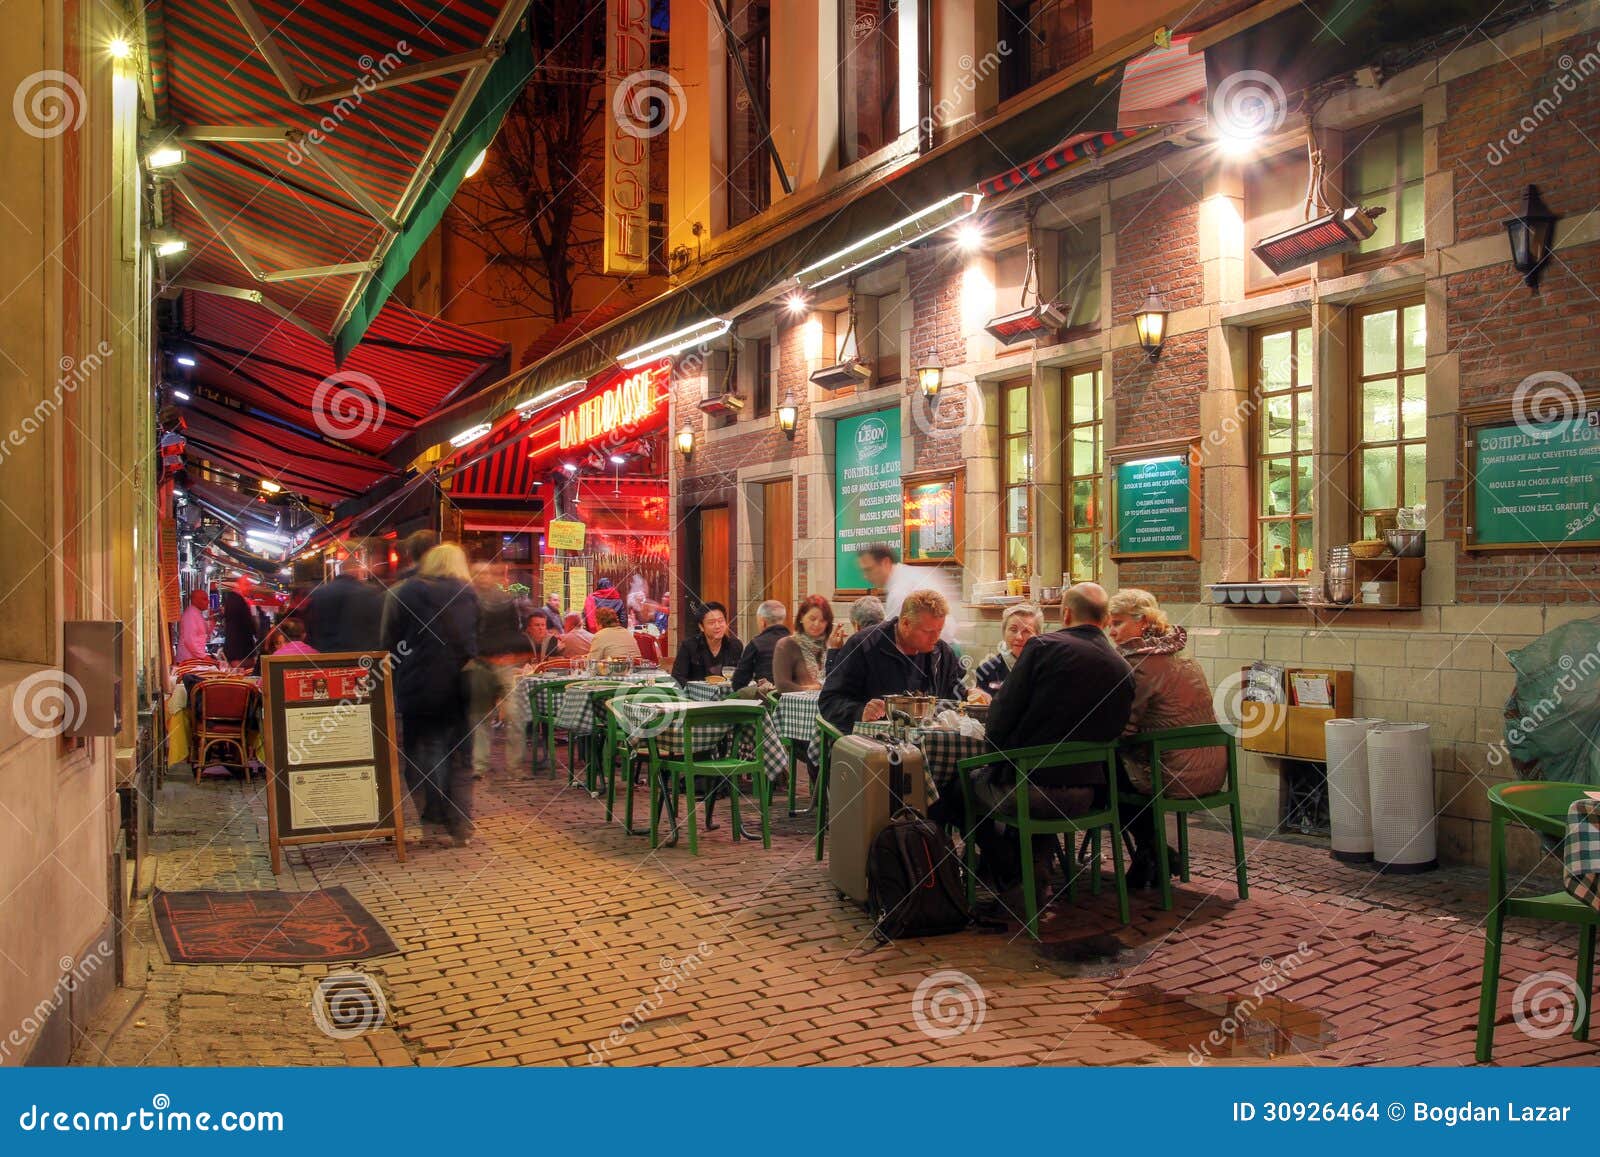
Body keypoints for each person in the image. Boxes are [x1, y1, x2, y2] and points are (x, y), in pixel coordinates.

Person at [972, 583, 1135, 903]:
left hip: (1030, 791)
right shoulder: (1124, 668)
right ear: (1104, 620)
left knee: (961, 785)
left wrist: (996, 761)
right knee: (1039, 775)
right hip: (1088, 795)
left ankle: (1006, 872)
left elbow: (1001, 715)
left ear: (1065, 613)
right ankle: (1034, 869)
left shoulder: (1044, 647)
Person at [1107, 588, 1227, 888]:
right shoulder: (1181, 653)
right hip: (1212, 767)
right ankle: (1153, 855)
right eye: (1109, 623)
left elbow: (1124, 728)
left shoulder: (1140, 664)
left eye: (1118, 622)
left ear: (1143, 621)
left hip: (1174, 772)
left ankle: (1156, 852)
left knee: (1104, 774)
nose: (1111, 631)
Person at [382, 543, 479, 846]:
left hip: (417, 683)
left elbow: (391, 640)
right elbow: (473, 643)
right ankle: (453, 816)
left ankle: (433, 811)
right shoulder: (468, 593)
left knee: (418, 750)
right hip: (456, 684)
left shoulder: (409, 591)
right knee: (454, 752)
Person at [819, 589, 964, 731]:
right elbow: (829, 700)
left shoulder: (942, 653)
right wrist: (859, 711)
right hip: (873, 744)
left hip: (930, 744)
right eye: (928, 631)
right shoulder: (864, 645)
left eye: (939, 630)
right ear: (906, 623)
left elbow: (953, 695)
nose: (935, 638)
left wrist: (970, 696)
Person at [468, 561, 534, 780]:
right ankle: (479, 767)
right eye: (478, 574)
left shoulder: (503, 600)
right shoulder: (465, 601)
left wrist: (512, 652)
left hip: (503, 663)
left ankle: (514, 767)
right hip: (480, 663)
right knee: (480, 717)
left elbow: (514, 629)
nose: (482, 577)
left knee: (516, 714)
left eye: (485, 573)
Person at [856, 543, 957, 643]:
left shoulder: (899, 591)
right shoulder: (911, 574)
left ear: (885, 563)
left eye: (869, 569)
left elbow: (897, 639)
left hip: (934, 650)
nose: (866, 576)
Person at [967, 604, 1044, 702]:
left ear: (1038, 636)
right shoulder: (986, 671)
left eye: (1026, 631)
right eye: (1013, 630)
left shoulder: (1047, 667)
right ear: (1004, 633)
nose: (1019, 637)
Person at [305, 561, 384, 653]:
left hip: (326, 653)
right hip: (361, 654)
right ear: (357, 572)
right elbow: (376, 625)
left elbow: (310, 626)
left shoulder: (319, 593)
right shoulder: (369, 593)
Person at [671, 601, 742, 684]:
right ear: (701, 627)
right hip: (696, 694)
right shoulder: (689, 646)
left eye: (721, 621)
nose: (717, 626)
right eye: (712, 623)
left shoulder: (735, 646)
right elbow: (677, 677)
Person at [773, 594, 833, 692]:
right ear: (801, 617)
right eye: (812, 619)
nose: (816, 624)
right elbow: (782, 685)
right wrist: (813, 691)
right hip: (796, 704)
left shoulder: (829, 645)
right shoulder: (786, 645)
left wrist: (836, 649)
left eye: (822, 620)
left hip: (827, 703)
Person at [733, 599, 790, 691]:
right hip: (794, 699)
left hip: (767, 700)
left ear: (762, 621)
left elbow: (738, 682)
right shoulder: (796, 643)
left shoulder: (756, 644)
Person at [220, 577, 258, 668]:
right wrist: (257, 633)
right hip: (239, 650)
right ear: (241, 585)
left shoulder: (233, 599)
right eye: (248, 585)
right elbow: (247, 624)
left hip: (238, 650)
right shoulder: (237, 601)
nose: (250, 588)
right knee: (240, 677)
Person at [176, 590, 211, 662]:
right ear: (195, 600)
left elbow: (203, 633)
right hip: (188, 659)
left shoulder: (196, 613)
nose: (208, 602)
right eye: (204, 599)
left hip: (194, 658)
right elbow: (190, 640)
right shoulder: (190, 615)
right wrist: (204, 657)